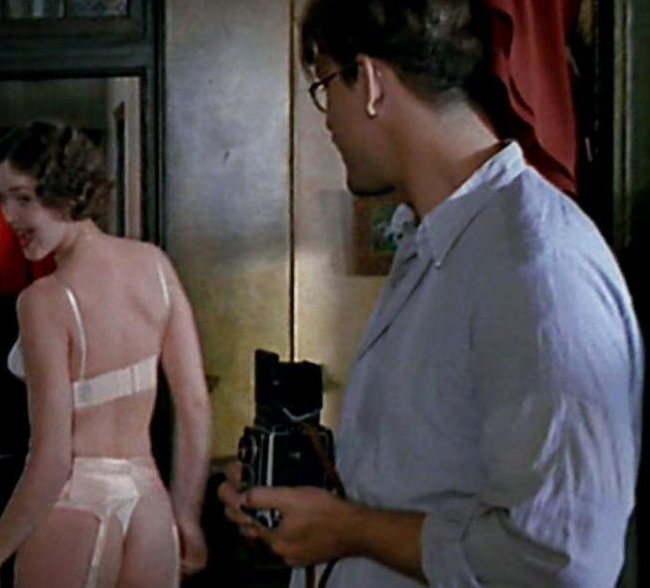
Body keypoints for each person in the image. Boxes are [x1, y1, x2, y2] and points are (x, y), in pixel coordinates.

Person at [218, 1, 644, 586]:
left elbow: (560, 560)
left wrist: (350, 529)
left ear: (370, 82)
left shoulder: (537, 266)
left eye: (325, 86)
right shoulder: (434, 243)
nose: (328, 122)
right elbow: (425, 476)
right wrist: (304, 497)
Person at [0, 121, 211, 588]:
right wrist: (186, 514)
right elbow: (195, 406)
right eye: (2, 200)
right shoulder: (154, 265)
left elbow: (52, 459)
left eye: (23, 198)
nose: (10, 216)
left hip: (74, 503)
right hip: (151, 507)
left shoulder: (44, 301)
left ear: (67, 190)